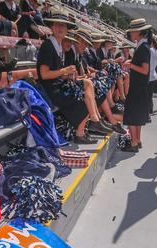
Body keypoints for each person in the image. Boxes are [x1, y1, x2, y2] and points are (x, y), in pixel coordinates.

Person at [36, 7, 108, 145]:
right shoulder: (48, 46)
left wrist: (66, 75)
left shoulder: (56, 45)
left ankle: (94, 120)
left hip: (59, 85)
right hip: (52, 91)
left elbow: (55, 74)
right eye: (57, 24)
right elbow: (44, 75)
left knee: (88, 84)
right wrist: (64, 71)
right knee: (84, 96)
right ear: (52, 26)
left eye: (63, 25)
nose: (60, 28)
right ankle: (87, 127)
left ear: (67, 29)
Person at [121, 18, 153, 153]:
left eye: (133, 31)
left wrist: (130, 65)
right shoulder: (143, 46)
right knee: (137, 116)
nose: (131, 34)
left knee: (132, 115)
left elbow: (145, 69)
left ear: (139, 32)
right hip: (140, 87)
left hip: (138, 87)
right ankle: (137, 140)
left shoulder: (143, 48)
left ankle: (133, 142)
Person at [147, 37, 157, 117]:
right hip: (153, 75)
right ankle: (149, 111)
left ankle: (147, 113)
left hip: (149, 76)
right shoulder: (155, 51)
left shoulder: (150, 50)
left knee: (147, 96)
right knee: (149, 96)